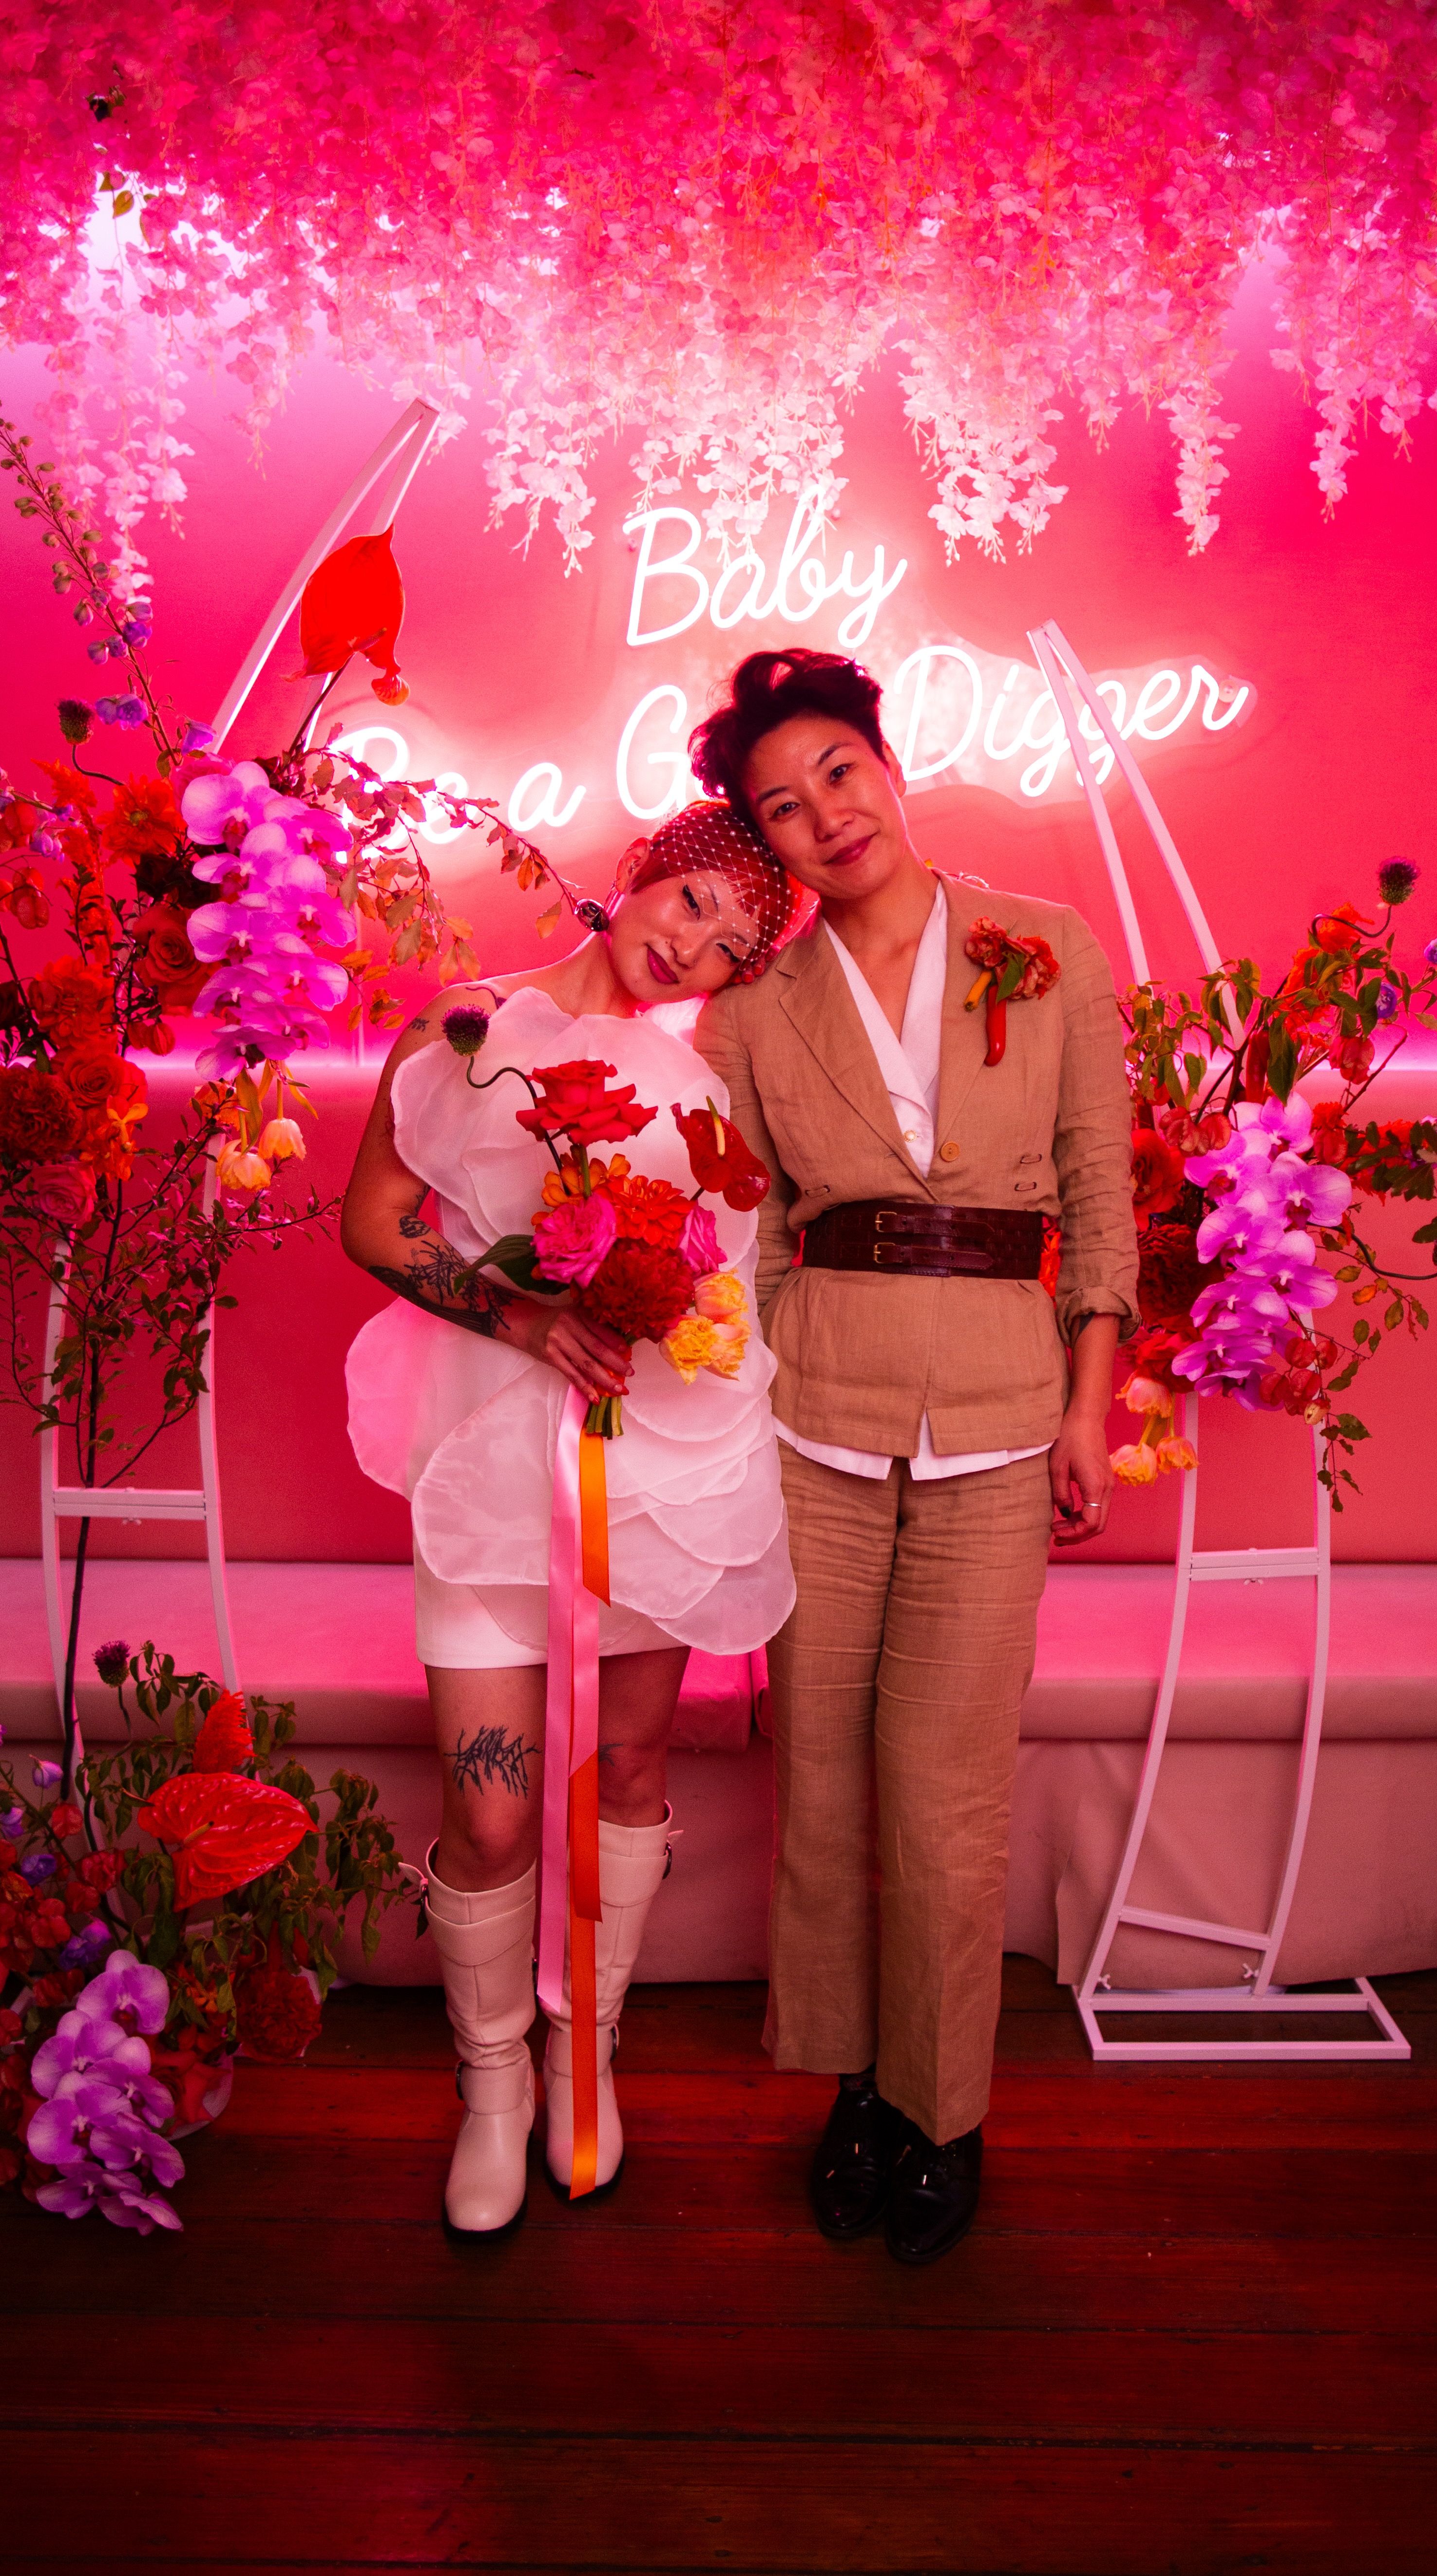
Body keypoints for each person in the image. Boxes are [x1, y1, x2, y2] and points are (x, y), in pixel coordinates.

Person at [690, 647, 1138, 2267]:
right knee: (820, 1778)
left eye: (838, 772)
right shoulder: (750, 1012)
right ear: (765, 844)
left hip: (1005, 1424)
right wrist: (724, 1443)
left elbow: (1098, 1195)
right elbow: (741, 1244)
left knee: (946, 1794)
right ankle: (854, 2088)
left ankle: (945, 2112)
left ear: (889, 767)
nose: (824, 814)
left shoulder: (1046, 946)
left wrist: (1088, 1408)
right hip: (812, 1423)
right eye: (780, 806)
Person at [341, 802, 798, 2237]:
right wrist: (526, 1317)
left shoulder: (707, 1089)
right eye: (693, 903)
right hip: (490, 1458)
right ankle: (489, 2082)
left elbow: (728, 1272)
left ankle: (582, 2054)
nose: (695, 948)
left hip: (654, 1460)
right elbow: (373, 1222)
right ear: (638, 875)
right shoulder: (469, 1027)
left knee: (634, 1763)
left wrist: (668, 1291)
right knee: (491, 1809)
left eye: (731, 946)